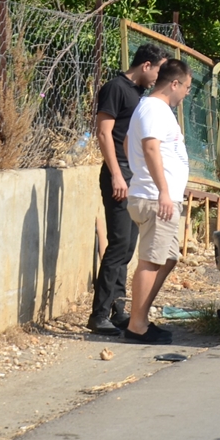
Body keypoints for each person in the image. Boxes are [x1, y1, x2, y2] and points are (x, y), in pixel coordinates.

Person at [86, 43, 169, 335]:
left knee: (128, 248)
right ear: (146, 65)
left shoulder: (139, 95)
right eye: (158, 70)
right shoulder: (115, 88)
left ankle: (118, 310)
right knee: (119, 244)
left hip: (133, 180)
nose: (159, 77)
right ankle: (98, 315)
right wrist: (117, 175)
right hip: (118, 178)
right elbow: (103, 132)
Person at [123, 59, 192, 344]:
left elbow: (129, 143)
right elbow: (149, 147)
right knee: (151, 261)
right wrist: (162, 189)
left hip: (156, 195)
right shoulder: (154, 108)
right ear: (174, 83)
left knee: (167, 258)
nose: (186, 93)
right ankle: (136, 326)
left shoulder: (153, 108)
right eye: (186, 87)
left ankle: (141, 318)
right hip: (155, 198)